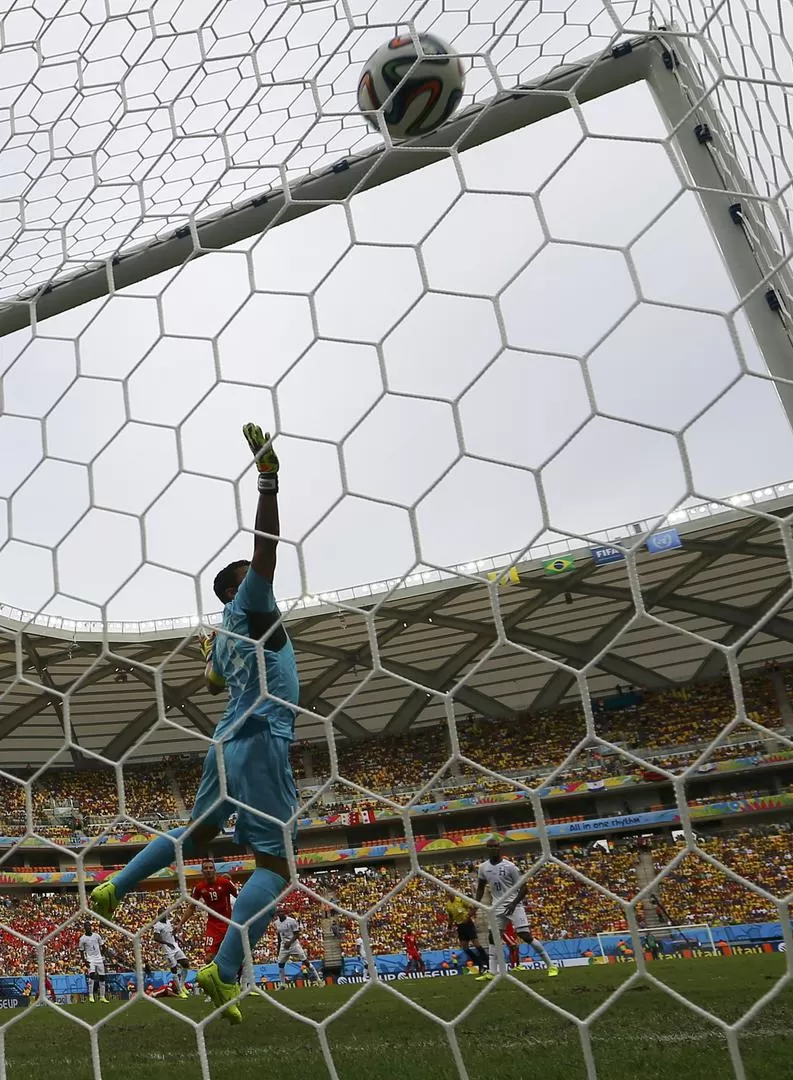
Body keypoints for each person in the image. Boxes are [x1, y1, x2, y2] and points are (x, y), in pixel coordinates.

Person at [91, 424, 299, 1025]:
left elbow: (211, 682)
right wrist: (268, 478)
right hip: (261, 739)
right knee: (278, 868)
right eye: (251, 576)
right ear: (240, 586)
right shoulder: (253, 604)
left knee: (196, 835)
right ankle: (223, 969)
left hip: (225, 742)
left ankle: (116, 885)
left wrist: (210, 650)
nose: (265, 582)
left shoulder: (225, 634)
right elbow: (267, 546)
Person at [475, 837, 559, 980]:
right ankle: (492, 972)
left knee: (525, 935)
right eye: (490, 847)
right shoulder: (483, 868)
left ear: (499, 847)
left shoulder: (510, 867)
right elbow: (481, 888)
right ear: (487, 849)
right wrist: (476, 905)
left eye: (495, 846)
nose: (493, 849)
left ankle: (551, 965)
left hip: (514, 905)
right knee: (493, 937)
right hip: (497, 906)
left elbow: (524, 889)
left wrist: (513, 904)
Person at [191, 859, 238, 962]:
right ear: (202, 871)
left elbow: (240, 898)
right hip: (213, 925)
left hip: (228, 923)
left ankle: (237, 976)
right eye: (206, 868)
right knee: (209, 958)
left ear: (215, 870)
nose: (208, 870)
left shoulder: (225, 883)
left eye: (211, 868)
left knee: (232, 956)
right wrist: (180, 924)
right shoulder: (199, 888)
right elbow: (191, 907)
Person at [274, 908, 317, 986]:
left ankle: (318, 979)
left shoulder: (291, 921)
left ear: (284, 912)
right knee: (280, 964)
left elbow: (297, 934)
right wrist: (279, 947)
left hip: (294, 944)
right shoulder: (276, 923)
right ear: (277, 914)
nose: (280, 913)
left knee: (305, 961)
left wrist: (289, 942)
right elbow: (279, 935)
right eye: (278, 912)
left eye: (281, 911)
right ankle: (283, 984)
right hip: (284, 946)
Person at [445, 893, 487, 974]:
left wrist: (468, 916)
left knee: (476, 944)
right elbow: (450, 917)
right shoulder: (448, 905)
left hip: (468, 924)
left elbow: (472, 908)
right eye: (448, 893)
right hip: (460, 926)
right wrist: (449, 928)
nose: (450, 894)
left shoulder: (460, 900)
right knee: (464, 947)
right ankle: (479, 963)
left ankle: (486, 961)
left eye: (450, 892)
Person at [153, 910, 191, 998]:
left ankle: (181, 985)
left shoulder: (168, 922)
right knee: (174, 970)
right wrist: (167, 943)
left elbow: (171, 934)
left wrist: (177, 939)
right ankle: (180, 991)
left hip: (175, 946)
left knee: (185, 963)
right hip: (168, 950)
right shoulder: (158, 925)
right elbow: (156, 938)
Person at [78, 920, 109, 1003]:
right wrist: (84, 961)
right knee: (92, 976)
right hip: (90, 959)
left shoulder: (97, 936)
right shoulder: (82, 939)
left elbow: (103, 946)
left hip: (99, 959)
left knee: (102, 977)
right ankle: (91, 996)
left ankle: (102, 996)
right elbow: (81, 951)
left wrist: (103, 955)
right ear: (84, 928)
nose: (88, 927)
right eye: (86, 926)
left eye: (89, 926)